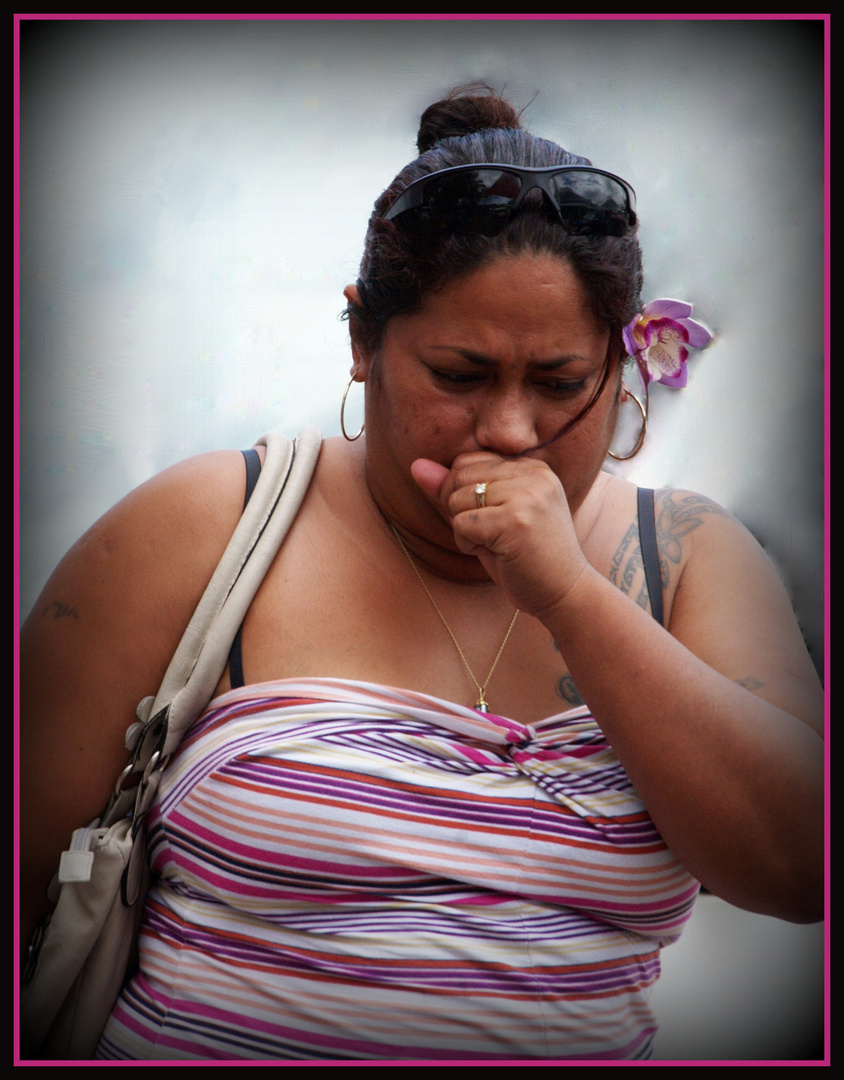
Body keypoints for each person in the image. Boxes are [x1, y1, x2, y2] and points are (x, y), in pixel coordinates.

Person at [20, 86, 823, 1061]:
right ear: (362, 341)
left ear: (622, 367)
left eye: (562, 384)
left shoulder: (688, 554)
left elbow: (799, 864)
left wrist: (570, 595)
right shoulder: (210, 526)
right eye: (459, 375)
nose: (510, 431)